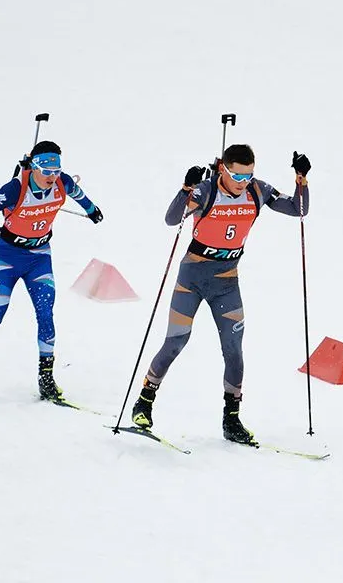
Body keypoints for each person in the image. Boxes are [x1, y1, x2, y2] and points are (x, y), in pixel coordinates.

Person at [129, 146, 311, 444]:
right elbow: (172, 220)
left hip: (226, 281)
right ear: (223, 169)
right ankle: (144, 401)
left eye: (248, 174)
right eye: (237, 174)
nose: (243, 180)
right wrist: (186, 188)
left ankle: (231, 419)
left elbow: (298, 209)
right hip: (192, 279)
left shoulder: (258, 191)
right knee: (176, 342)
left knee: (234, 349)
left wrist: (301, 179)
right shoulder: (205, 191)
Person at [0, 141, 104, 402]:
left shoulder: (63, 182)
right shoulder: (15, 188)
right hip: (7, 258)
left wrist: (92, 210)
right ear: (35, 167)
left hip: (39, 258)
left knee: (45, 314)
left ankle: (46, 380)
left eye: (56, 171)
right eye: (46, 172)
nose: (52, 178)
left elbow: (81, 195)